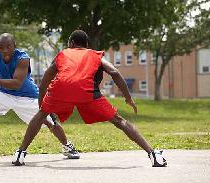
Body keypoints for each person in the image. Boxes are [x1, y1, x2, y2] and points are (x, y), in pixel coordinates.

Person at [12, 30, 167, 167]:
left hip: (60, 90)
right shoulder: (94, 54)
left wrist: (42, 101)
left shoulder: (63, 54)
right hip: (87, 93)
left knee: (40, 117)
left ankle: (20, 154)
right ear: (86, 45)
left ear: (71, 43)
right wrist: (128, 98)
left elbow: (46, 77)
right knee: (119, 121)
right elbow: (114, 72)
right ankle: (153, 155)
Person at [0, 33, 80, 163]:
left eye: (8, 47)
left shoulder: (22, 58)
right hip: (1, 93)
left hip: (27, 95)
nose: (5, 50)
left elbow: (16, 83)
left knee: (49, 121)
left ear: (15, 46)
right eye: (2, 47)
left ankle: (67, 147)